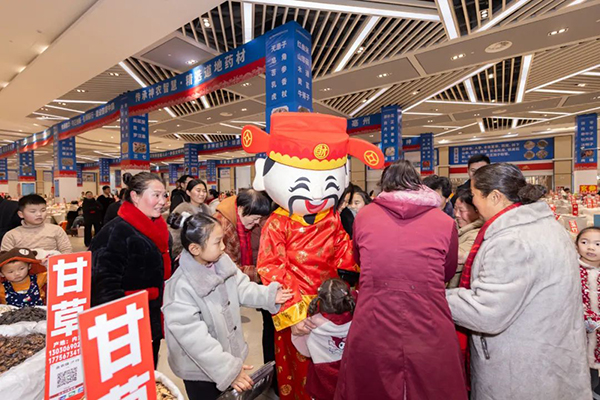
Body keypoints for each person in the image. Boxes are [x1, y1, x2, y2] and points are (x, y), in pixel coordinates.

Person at [242, 112, 382, 400]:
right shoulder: (277, 224)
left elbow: (346, 253)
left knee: (330, 369)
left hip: (330, 305)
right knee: (299, 373)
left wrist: (376, 263)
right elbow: (272, 269)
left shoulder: (331, 218)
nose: (317, 195)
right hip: (296, 309)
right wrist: (294, 315)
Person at [446, 163, 590, 400]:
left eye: (474, 195)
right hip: (550, 353)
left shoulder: (511, 240)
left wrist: (436, 296)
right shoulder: (546, 225)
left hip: (521, 368)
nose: (474, 203)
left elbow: (486, 312)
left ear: (495, 196)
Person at [335, 160, 466, 400]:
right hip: (428, 318)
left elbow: (359, 259)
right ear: (417, 184)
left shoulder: (364, 216)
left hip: (374, 315)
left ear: (384, 185)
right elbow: (447, 272)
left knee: (370, 387)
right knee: (432, 387)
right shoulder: (445, 222)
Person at [162, 212, 292, 400]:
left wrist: (269, 296)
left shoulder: (221, 261)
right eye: (217, 242)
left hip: (226, 354)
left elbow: (241, 287)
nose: (223, 247)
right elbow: (194, 339)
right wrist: (227, 370)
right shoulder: (180, 287)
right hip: (199, 371)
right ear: (195, 249)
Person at [90, 172, 171, 365]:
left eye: (164, 195)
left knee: (148, 367)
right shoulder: (117, 231)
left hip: (149, 316)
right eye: (156, 195)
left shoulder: (156, 227)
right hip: (126, 322)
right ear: (135, 196)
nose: (162, 201)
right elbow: (103, 286)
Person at [292, 278, 354, 400]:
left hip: (322, 378)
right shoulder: (357, 319)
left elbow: (304, 351)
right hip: (349, 377)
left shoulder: (311, 324)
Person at [213, 189, 271, 282]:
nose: (257, 222)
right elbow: (230, 270)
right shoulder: (224, 229)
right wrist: (264, 273)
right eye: (255, 218)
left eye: (259, 218)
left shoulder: (242, 219)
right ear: (241, 209)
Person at [1, 194, 72, 254]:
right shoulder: (11, 235)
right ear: (21, 214)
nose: (39, 214)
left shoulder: (56, 230)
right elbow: (6, 258)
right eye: (33, 211)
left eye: (43, 210)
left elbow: (66, 251)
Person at [576, 227, 600, 398]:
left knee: (595, 362)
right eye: (585, 242)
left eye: (598, 244)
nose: (590, 247)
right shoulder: (571, 270)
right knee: (580, 362)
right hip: (578, 327)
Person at [448, 187, 483, 288]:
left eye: (461, 210)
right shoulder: (453, 226)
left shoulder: (477, 234)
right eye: (455, 209)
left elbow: (457, 256)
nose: (457, 214)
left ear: (477, 211)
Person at [169, 179, 211, 260]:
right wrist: (179, 252)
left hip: (204, 251)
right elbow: (174, 234)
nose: (202, 194)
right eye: (198, 191)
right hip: (186, 253)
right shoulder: (182, 210)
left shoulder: (207, 209)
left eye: (204, 191)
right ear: (188, 192)